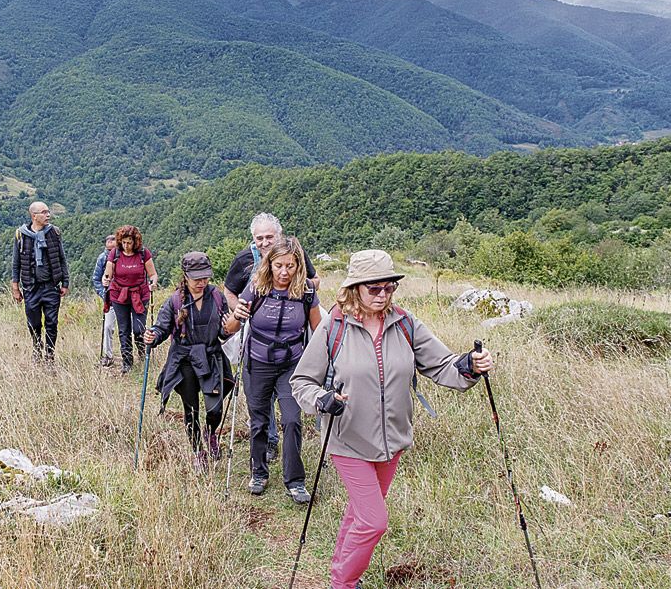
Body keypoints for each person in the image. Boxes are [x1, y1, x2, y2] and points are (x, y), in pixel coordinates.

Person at [290, 249, 495, 589]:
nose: (383, 295)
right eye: (374, 288)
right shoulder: (334, 327)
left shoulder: (405, 323)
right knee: (373, 522)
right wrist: (322, 400)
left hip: (392, 442)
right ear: (355, 288)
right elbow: (302, 382)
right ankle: (343, 582)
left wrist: (469, 366)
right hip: (347, 440)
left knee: (360, 514)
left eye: (389, 287)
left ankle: (339, 571)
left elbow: (442, 365)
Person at [226, 237, 322, 503]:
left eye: (290, 266)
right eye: (279, 265)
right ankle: (259, 472)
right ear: (269, 264)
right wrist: (237, 315)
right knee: (259, 422)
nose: (284, 272)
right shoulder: (256, 288)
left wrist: (322, 366)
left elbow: (317, 331)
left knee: (292, 419)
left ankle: (295, 480)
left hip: (292, 365)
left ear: (298, 266)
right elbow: (230, 329)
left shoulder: (306, 293)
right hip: (257, 364)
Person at [144, 252, 237, 468]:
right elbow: (161, 328)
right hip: (184, 360)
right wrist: (153, 336)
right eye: (196, 278)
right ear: (185, 276)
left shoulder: (216, 296)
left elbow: (224, 332)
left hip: (211, 357)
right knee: (191, 409)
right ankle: (197, 452)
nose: (201, 283)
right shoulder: (175, 301)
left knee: (214, 409)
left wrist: (229, 328)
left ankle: (211, 432)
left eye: (205, 277)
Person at [10, 201, 69, 364]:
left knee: (52, 322)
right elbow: (16, 263)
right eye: (44, 212)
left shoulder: (54, 233)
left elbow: (62, 259)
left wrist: (65, 282)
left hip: (51, 286)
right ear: (34, 216)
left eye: (48, 212)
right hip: (31, 287)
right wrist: (15, 287)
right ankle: (37, 347)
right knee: (33, 322)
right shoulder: (21, 235)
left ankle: (50, 355)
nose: (48, 215)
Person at [102, 225, 158, 373]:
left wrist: (153, 282)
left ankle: (141, 350)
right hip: (119, 294)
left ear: (135, 241)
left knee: (139, 329)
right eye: (124, 242)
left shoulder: (143, 254)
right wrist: (105, 280)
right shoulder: (115, 253)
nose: (126, 246)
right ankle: (127, 362)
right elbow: (108, 274)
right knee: (124, 329)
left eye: (129, 242)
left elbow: (152, 274)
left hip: (140, 294)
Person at [91, 234, 119, 367]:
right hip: (110, 299)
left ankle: (128, 354)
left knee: (128, 328)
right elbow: (96, 279)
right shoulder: (102, 258)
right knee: (108, 327)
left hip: (126, 298)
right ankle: (108, 356)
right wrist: (104, 294)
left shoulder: (124, 257)